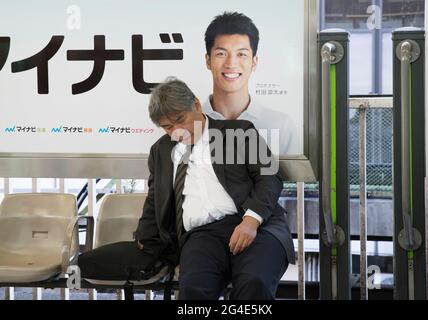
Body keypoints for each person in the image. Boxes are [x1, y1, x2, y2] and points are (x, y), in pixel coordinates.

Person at [78, 78, 294, 300]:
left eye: (181, 120)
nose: (177, 132)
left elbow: (270, 177)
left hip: (254, 225)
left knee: (253, 282)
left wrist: (251, 220)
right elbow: (155, 198)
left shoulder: (238, 132)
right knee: (192, 291)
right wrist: (146, 237)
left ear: (197, 105)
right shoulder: (161, 151)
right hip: (202, 236)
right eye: (168, 127)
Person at [203, 12, 301, 156]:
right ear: (208, 61)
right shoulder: (188, 122)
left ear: (254, 62)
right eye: (221, 54)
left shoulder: (281, 126)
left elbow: (293, 178)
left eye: (241, 54)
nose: (231, 63)